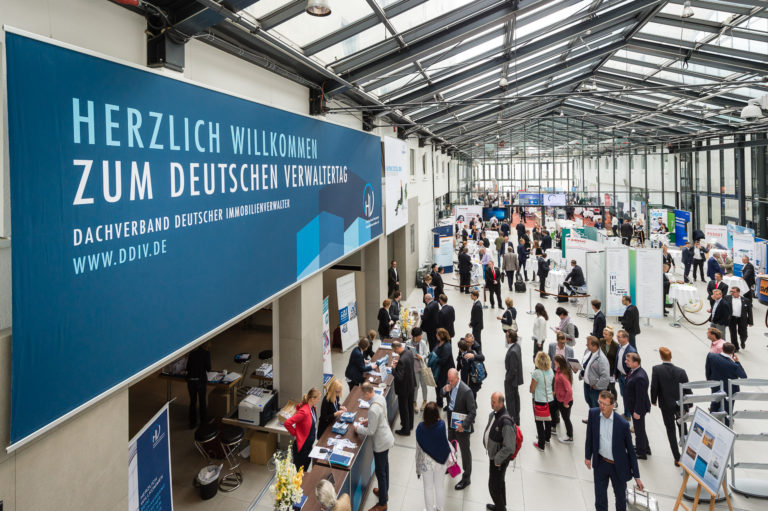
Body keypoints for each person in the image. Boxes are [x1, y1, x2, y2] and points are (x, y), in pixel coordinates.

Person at [585, 391, 644, 511]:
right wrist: (587, 456)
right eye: (600, 402)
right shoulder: (593, 414)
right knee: (600, 500)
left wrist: (637, 476)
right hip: (600, 463)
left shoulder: (623, 424)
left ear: (613, 405)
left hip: (618, 467)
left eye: (605, 404)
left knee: (620, 499)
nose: (601, 406)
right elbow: (589, 437)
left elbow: (631, 451)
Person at [355, 383, 394, 511]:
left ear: (367, 393)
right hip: (387, 438)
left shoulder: (372, 409)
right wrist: (369, 421)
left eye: (363, 395)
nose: (363, 398)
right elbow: (380, 416)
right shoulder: (380, 397)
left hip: (381, 443)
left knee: (380, 472)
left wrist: (358, 428)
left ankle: (382, 503)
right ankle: (384, 492)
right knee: (385, 467)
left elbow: (371, 431)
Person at [650, 347, 690, 464]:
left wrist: (653, 400)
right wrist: (689, 403)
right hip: (680, 404)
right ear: (671, 356)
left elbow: (654, 386)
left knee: (670, 430)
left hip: (666, 405)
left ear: (661, 357)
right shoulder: (681, 371)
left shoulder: (657, 369)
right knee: (683, 428)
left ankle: (677, 458)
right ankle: (687, 454)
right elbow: (687, 388)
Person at [441, 368, 477, 490]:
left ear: (457, 378)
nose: (450, 382)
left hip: (462, 427)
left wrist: (464, 425)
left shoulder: (466, 391)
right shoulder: (449, 384)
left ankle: (466, 478)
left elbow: (472, 412)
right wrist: (444, 390)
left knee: (465, 452)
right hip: (451, 422)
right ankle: (451, 466)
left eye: (452, 380)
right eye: (449, 380)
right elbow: (441, 393)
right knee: (450, 446)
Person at [483, 392, 518, 511]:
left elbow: (510, 447)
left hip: (498, 461)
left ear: (501, 404)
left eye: (494, 402)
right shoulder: (496, 413)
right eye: (491, 400)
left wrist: (497, 459)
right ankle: (500, 506)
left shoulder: (506, 422)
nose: (491, 403)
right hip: (494, 457)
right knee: (499, 483)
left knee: (493, 487)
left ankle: (501, 508)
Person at [415, 402, 450, 511]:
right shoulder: (442, 425)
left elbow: (418, 450)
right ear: (436, 413)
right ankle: (440, 509)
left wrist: (417, 469)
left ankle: (429, 509)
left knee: (428, 488)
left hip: (426, 463)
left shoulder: (420, 428)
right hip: (440, 462)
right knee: (440, 487)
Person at [705, 342, 747, 423]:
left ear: (722, 348)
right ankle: (726, 424)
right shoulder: (734, 365)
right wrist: (737, 362)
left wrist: (710, 381)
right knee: (727, 410)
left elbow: (708, 371)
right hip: (730, 390)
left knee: (714, 404)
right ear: (732, 352)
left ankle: (711, 421)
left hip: (715, 385)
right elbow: (744, 376)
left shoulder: (711, 356)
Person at [284, 387, 320, 472]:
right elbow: (287, 423)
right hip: (302, 448)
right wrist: (295, 433)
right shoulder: (304, 411)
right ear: (312, 399)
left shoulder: (312, 408)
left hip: (308, 445)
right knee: (300, 471)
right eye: (318, 398)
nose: (319, 400)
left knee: (305, 469)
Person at [624, 352, 651, 459]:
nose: (626, 362)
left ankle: (641, 452)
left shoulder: (639, 377)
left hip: (638, 408)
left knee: (639, 430)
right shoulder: (634, 371)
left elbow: (640, 397)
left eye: (628, 360)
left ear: (636, 363)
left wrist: (637, 411)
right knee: (640, 428)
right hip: (634, 406)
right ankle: (645, 447)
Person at [530, 351, 555, 452]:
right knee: (548, 420)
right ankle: (547, 438)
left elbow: (532, 389)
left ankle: (541, 444)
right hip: (550, 400)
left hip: (539, 400)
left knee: (539, 422)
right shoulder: (551, 371)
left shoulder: (536, 373)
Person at [186, 343, 211, 429]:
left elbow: (188, 367)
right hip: (200, 381)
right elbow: (208, 368)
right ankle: (203, 422)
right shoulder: (206, 353)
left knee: (193, 401)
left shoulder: (192, 353)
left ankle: (192, 423)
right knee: (202, 401)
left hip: (191, 381)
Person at [581, 336, 610, 410]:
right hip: (587, 385)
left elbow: (605, 377)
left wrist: (596, 386)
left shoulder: (602, 359)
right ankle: (592, 416)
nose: (586, 345)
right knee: (589, 402)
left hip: (595, 389)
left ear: (594, 346)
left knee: (596, 407)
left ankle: (594, 417)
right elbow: (585, 365)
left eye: (588, 344)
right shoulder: (588, 352)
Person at [553, 354, 574, 443]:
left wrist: (565, 403)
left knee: (566, 418)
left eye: (555, 361)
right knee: (552, 410)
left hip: (564, 401)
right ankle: (553, 427)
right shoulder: (559, 371)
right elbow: (557, 383)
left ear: (558, 363)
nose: (554, 362)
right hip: (558, 398)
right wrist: (555, 391)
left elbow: (569, 391)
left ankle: (570, 436)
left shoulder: (562, 375)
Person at [504, 330, 523, 425]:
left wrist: (507, 379)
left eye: (506, 336)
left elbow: (513, 370)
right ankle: (516, 419)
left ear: (510, 338)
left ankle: (512, 421)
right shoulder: (517, 346)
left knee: (510, 401)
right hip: (515, 380)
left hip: (511, 381)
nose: (506, 338)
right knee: (515, 399)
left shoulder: (512, 352)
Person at [407, 327, 429, 412]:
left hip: (422, 367)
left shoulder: (423, 343)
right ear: (415, 337)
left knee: (424, 385)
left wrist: (421, 357)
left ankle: (425, 401)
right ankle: (414, 402)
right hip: (414, 368)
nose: (421, 336)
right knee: (415, 386)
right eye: (420, 335)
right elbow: (406, 353)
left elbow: (426, 354)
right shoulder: (408, 343)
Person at [434, 328, 455, 408]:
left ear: (441, 336)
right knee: (438, 386)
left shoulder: (447, 346)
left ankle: (449, 405)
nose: (436, 336)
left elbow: (443, 360)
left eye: (437, 334)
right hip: (440, 370)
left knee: (446, 387)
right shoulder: (439, 342)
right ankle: (439, 403)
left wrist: (435, 360)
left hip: (446, 370)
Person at [725, 286, 751, 351]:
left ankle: (742, 341)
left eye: (733, 292)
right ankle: (735, 347)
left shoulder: (746, 300)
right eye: (731, 291)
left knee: (743, 334)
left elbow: (750, 312)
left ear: (738, 292)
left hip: (742, 319)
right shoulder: (727, 298)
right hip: (732, 318)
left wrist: (750, 322)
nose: (732, 293)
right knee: (733, 333)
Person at [600, 326, 619, 397]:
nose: (604, 335)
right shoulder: (601, 341)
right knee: (603, 386)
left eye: (606, 334)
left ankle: (614, 400)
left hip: (611, 369)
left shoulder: (616, 346)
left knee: (612, 387)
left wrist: (615, 372)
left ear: (611, 335)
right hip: (602, 368)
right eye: (603, 334)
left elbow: (616, 360)